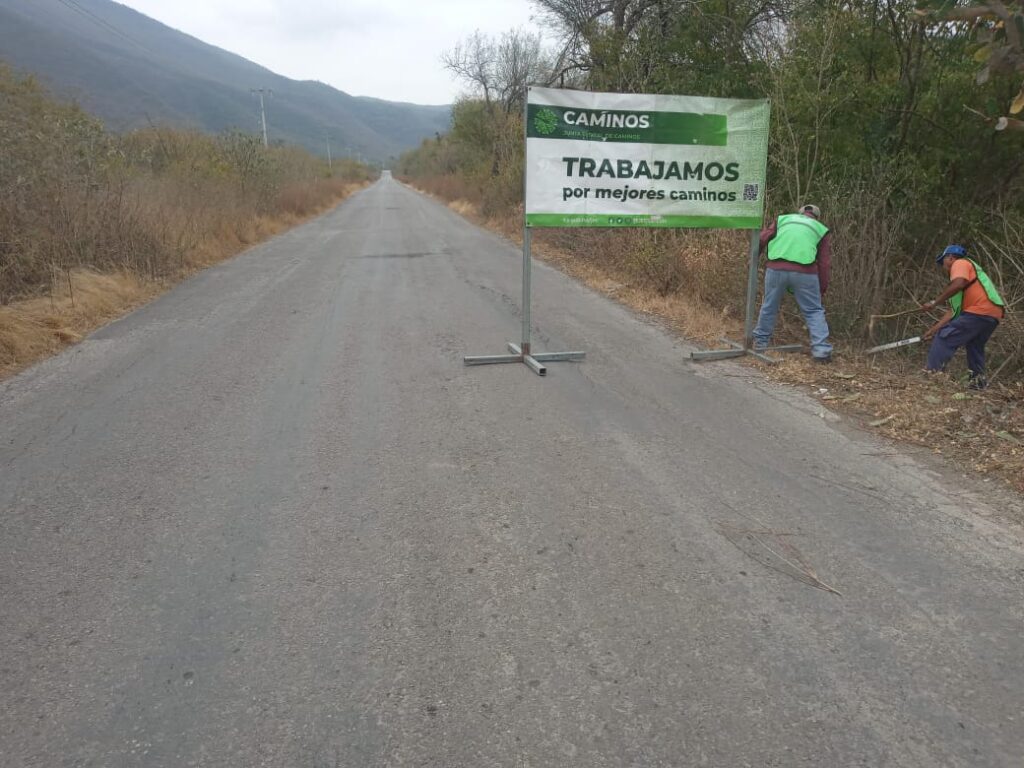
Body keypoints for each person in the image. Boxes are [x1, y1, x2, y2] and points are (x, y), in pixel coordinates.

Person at [752, 203, 833, 362]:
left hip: (776, 268)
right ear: (816, 216)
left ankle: (760, 344)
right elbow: (824, 263)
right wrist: (822, 288)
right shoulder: (819, 229)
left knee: (769, 306)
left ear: (800, 212)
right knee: (813, 310)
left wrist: (754, 257)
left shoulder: (783, 220)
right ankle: (821, 351)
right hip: (805, 272)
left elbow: (762, 238)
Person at [920, 244, 1006, 389]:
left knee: (945, 337)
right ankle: (977, 386)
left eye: (944, 262)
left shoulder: (960, 264)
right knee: (974, 346)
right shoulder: (967, 283)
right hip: (993, 314)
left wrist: (934, 303)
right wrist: (933, 330)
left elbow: (958, 284)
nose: (944, 267)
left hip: (980, 310)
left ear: (951, 257)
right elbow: (953, 312)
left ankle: (931, 377)